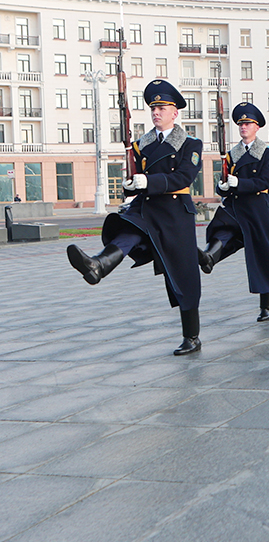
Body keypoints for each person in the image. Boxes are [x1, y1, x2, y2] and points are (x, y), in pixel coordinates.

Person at [66, 80, 204, 355]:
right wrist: (131, 185)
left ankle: (192, 336)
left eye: (162, 107)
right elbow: (135, 177)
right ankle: (99, 265)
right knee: (128, 231)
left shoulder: (191, 143)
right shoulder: (141, 145)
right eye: (153, 108)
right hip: (147, 207)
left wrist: (148, 181)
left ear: (175, 112)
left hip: (175, 212)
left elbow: (184, 177)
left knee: (183, 274)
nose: (156, 112)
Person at [198, 102, 269, 322]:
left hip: (256, 207)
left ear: (257, 127)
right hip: (234, 206)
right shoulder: (231, 155)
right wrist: (221, 187)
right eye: (241, 124)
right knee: (222, 230)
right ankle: (209, 256)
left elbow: (266, 181)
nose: (244, 127)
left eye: (248, 123)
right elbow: (223, 182)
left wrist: (239, 182)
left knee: (262, 254)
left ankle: (266, 305)